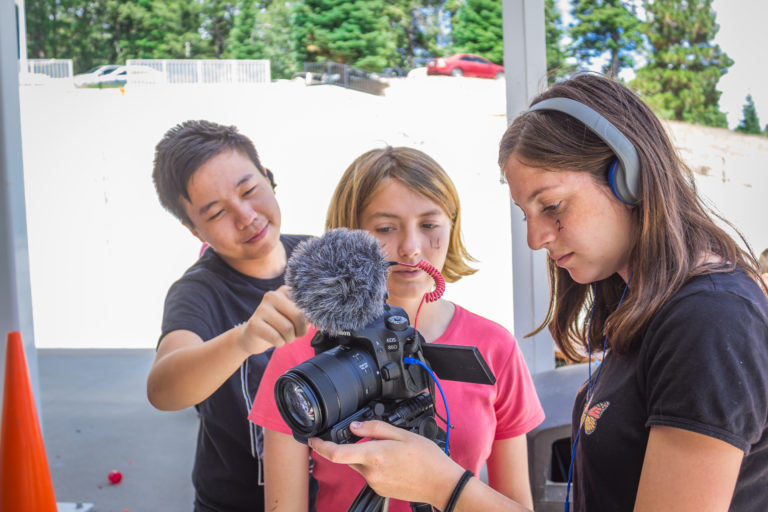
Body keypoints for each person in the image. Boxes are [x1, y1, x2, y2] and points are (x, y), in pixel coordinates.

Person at [307, 73, 768, 512]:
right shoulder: (652, 313)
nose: (536, 238)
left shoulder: (710, 319)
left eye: (552, 206)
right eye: (526, 213)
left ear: (627, 177)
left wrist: (445, 486)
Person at [249, 146, 545, 511]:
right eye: (386, 228)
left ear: (452, 226)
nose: (411, 248)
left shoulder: (495, 347)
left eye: (429, 225)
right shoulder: (303, 353)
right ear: (350, 235)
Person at [146, 120, 312, 512]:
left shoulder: (317, 256)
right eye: (217, 212)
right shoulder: (198, 293)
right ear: (194, 230)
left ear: (269, 178)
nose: (246, 216)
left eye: (250, 190)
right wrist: (244, 340)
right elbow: (163, 388)